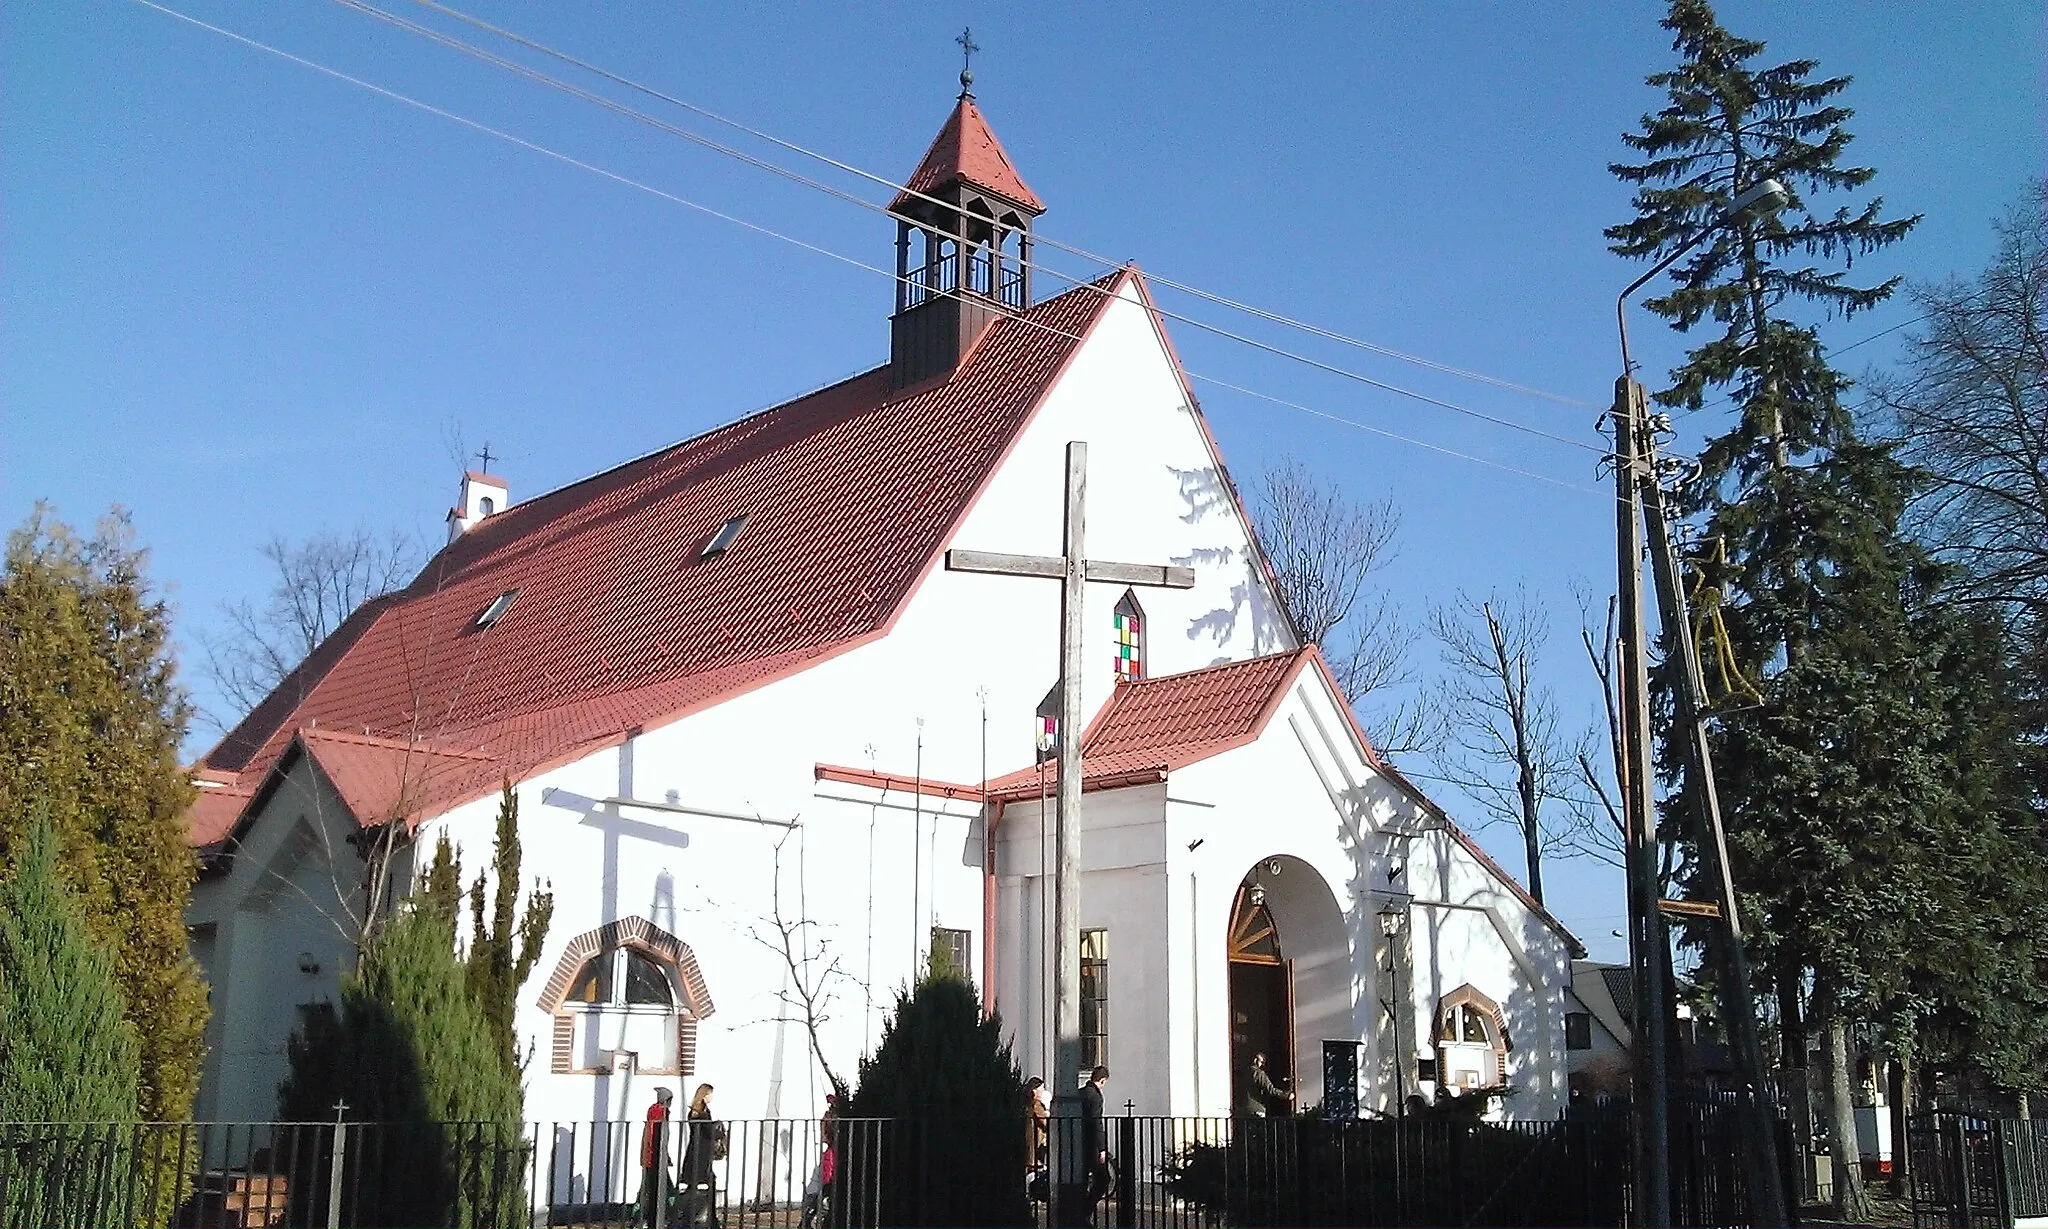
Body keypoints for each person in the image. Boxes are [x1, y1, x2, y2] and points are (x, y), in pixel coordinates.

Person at [677, 1083, 723, 1228]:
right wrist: (720, 1131)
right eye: (710, 1094)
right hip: (700, 1154)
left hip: (698, 1153)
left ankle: (696, 1216)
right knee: (703, 1182)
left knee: (697, 1183)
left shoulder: (697, 1112)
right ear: (704, 1095)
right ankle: (705, 1217)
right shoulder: (701, 1114)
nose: (711, 1097)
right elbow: (708, 1132)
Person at [635, 1088, 674, 1228]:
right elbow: (657, 1136)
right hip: (655, 1157)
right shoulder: (660, 1113)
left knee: (648, 1187)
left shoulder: (654, 1111)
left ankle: (642, 1216)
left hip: (652, 1156)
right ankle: (650, 1217)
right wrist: (661, 1154)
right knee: (656, 1188)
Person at [799, 1094, 837, 1229]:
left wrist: (826, 1182)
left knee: (818, 1205)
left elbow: (828, 1172)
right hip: (824, 1184)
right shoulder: (830, 1150)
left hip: (826, 1185)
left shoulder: (830, 1152)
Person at [1079, 1066, 1113, 1217]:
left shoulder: (1080, 1093)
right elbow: (1096, 1122)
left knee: (1081, 1179)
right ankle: (1085, 1212)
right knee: (1103, 1179)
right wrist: (1102, 1148)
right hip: (1091, 1144)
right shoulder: (1096, 1096)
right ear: (1103, 1080)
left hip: (1078, 1142)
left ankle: (1080, 1213)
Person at [1240, 1052, 1293, 1117]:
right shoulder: (1259, 1074)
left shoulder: (1243, 1073)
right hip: (1257, 1108)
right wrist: (1286, 1095)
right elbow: (1270, 1089)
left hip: (1242, 1108)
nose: (1262, 1065)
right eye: (1261, 1062)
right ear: (1255, 1060)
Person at [1024, 1077, 1050, 1180]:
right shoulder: (1037, 1104)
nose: (1043, 1092)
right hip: (1038, 1141)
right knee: (1036, 1166)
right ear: (1034, 1090)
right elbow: (1044, 1122)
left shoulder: (1029, 1104)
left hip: (1032, 1139)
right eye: (1041, 1089)